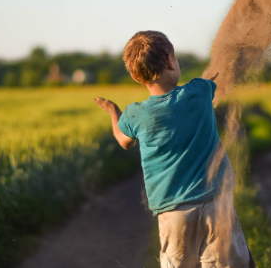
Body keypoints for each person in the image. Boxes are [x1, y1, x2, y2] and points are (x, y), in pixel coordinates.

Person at [94, 30, 254, 268]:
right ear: (170, 60)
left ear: (136, 78)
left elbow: (124, 140)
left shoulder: (135, 114)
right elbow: (213, 79)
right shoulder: (199, 91)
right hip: (216, 202)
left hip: (173, 211)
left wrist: (113, 111)